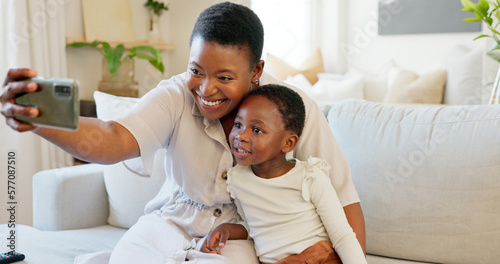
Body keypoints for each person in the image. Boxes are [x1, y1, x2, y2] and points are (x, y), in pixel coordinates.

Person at [0, 2, 365, 263]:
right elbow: (113, 137)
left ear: (256, 72)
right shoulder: (176, 93)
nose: (205, 90)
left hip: (235, 238)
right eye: (196, 70)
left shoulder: (292, 109)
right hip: (170, 222)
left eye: (224, 77)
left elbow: (343, 200)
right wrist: (39, 119)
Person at [201, 84, 367, 264]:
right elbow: (258, 227)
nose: (241, 136)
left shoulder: (310, 177)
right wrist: (228, 229)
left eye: (256, 130)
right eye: (238, 125)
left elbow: (342, 235)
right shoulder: (237, 179)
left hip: (317, 258)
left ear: (288, 143)